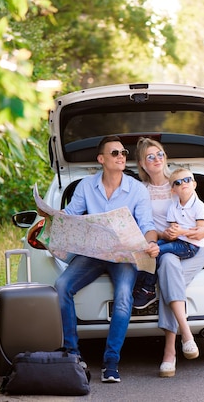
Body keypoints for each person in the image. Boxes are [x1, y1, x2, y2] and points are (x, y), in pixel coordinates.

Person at [50, 135, 160, 383]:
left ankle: (111, 362)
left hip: (124, 257)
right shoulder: (86, 186)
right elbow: (70, 215)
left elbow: (147, 225)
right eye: (115, 153)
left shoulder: (138, 190)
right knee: (62, 286)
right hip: (93, 253)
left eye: (123, 153)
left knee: (123, 297)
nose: (121, 156)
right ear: (101, 159)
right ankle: (73, 354)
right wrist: (50, 216)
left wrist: (150, 242)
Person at [134, 137, 204, 378]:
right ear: (142, 164)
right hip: (162, 247)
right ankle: (185, 337)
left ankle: (171, 351)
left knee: (168, 279)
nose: (156, 159)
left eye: (159, 154)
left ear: (165, 157)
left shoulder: (180, 179)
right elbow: (142, 225)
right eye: (150, 156)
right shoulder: (141, 191)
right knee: (168, 265)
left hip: (191, 248)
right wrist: (162, 234)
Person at [133, 167, 204, 309]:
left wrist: (181, 232)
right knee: (150, 248)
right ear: (173, 190)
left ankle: (148, 289)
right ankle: (140, 284)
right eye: (178, 182)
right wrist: (172, 233)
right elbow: (174, 229)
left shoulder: (199, 206)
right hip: (178, 241)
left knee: (156, 251)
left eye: (187, 180)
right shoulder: (173, 207)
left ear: (194, 184)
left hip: (190, 246)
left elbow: (200, 230)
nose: (183, 183)